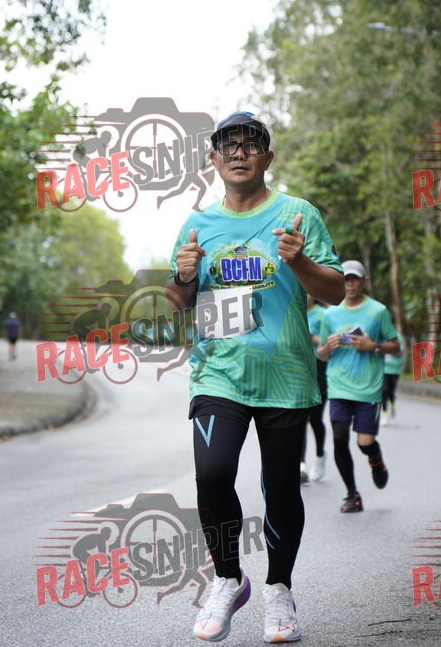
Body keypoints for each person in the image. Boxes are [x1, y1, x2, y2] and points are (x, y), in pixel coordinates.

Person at [167, 111, 344, 643]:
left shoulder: (298, 214)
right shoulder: (199, 224)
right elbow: (177, 304)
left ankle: (278, 589)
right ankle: (228, 578)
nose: (239, 153)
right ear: (213, 160)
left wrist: (300, 263)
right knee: (212, 475)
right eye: (229, 145)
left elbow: (335, 291)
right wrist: (183, 275)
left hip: (285, 375)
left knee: (281, 487)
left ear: (267, 157)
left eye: (250, 144)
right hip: (217, 373)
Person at [317, 260, 399, 514]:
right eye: (346, 279)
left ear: (365, 281)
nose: (350, 284)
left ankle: (375, 458)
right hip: (338, 386)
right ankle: (352, 494)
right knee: (339, 439)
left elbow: (395, 346)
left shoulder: (378, 311)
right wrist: (327, 347)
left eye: (354, 279)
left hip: (369, 389)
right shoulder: (330, 314)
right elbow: (321, 354)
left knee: (364, 442)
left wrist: (373, 346)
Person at [300, 296, 328, 483]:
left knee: (316, 418)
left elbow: (329, 343)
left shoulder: (323, 315)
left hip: (318, 367)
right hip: (297, 367)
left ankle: (319, 456)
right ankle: (301, 463)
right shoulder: (293, 308)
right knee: (299, 417)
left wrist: (312, 337)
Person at [381, 329, 404, 425]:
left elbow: (401, 352)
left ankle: (391, 404)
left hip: (394, 369)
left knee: (390, 392)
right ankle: (385, 414)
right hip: (383, 368)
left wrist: (390, 350)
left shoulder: (396, 336)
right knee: (384, 391)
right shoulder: (380, 335)